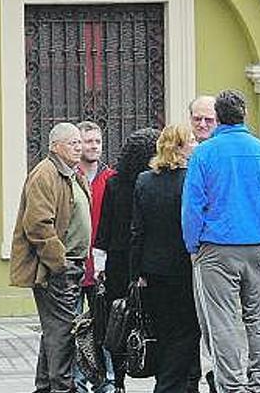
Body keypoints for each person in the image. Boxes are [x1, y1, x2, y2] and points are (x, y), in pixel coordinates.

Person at [182, 89, 260, 393]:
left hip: (215, 247)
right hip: (258, 245)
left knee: (222, 320)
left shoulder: (204, 153)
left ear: (218, 117)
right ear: (245, 115)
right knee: (259, 318)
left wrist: (193, 245)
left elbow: (192, 205)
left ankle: (232, 385)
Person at [9, 122, 91, 393]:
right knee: (63, 331)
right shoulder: (46, 174)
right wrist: (60, 263)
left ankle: (45, 386)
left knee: (55, 329)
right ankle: (62, 387)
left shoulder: (71, 174)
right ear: (55, 146)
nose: (79, 147)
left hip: (72, 264)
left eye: (80, 142)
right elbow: (38, 225)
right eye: (73, 143)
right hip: (56, 267)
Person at [130, 123, 201, 393]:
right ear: (181, 147)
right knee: (186, 331)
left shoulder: (144, 181)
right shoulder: (191, 179)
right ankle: (171, 386)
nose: (195, 144)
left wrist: (136, 273)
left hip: (153, 269)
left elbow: (137, 230)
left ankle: (168, 383)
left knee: (162, 329)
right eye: (191, 140)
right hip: (185, 267)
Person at [95, 127, 160, 392]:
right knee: (151, 319)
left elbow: (104, 228)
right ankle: (154, 370)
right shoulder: (153, 183)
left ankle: (118, 379)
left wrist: (99, 263)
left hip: (118, 262)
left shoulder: (113, 183)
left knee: (119, 321)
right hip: (147, 261)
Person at [74, 121, 117, 393]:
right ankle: (76, 381)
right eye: (87, 141)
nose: (93, 146)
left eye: (97, 141)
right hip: (74, 265)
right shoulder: (67, 178)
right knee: (74, 328)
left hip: (101, 267)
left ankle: (107, 379)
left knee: (105, 327)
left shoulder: (111, 178)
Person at [187, 95, 219, 393]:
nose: (203, 123)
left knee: (216, 320)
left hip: (213, 251)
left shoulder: (215, 154)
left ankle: (213, 374)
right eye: (198, 118)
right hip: (193, 251)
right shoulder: (184, 152)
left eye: (208, 119)